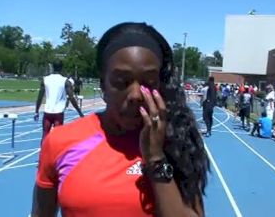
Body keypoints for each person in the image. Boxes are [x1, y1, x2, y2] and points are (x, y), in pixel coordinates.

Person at [31, 22, 209, 217]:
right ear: (103, 86)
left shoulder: (176, 144)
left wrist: (156, 159)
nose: (135, 95)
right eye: (121, 82)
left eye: (148, 83)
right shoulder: (60, 142)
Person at [34, 60, 84, 142]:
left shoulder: (45, 79)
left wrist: (36, 111)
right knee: (57, 136)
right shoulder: (65, 81)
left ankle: (43, 154)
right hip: (58, 113)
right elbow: (71, 98)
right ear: (61, 68)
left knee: (45, 134)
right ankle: (56, 154)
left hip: (47, 112)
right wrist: (79, 112)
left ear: (53, 67)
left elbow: (40, 97)